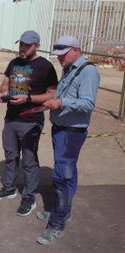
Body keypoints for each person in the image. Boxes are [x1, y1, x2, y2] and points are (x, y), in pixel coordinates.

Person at [36, 36, 100, 245]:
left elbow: (88, 103)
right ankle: (61, 211)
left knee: (62, 177)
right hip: (61, 130)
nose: (60, 59)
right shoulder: (69, 67)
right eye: (58, 56)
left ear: (75, 50)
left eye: (63, 55)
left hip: (72, 132)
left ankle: (57, 224)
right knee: (67, 173)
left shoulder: (88, 71)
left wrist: (61, 102)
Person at [0, 31, 58, 217]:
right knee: (10, 155)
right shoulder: (14, 63)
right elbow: (4, 84)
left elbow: (52, 94)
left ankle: (29, 197)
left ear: (37, 45)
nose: (22, 48)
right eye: (21, 44)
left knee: (29, 159)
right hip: (11, 118)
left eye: (27, 45)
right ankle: (9, 188)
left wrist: (28, 98)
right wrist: (5, 93)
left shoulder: (46, 66)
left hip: (31, 120)